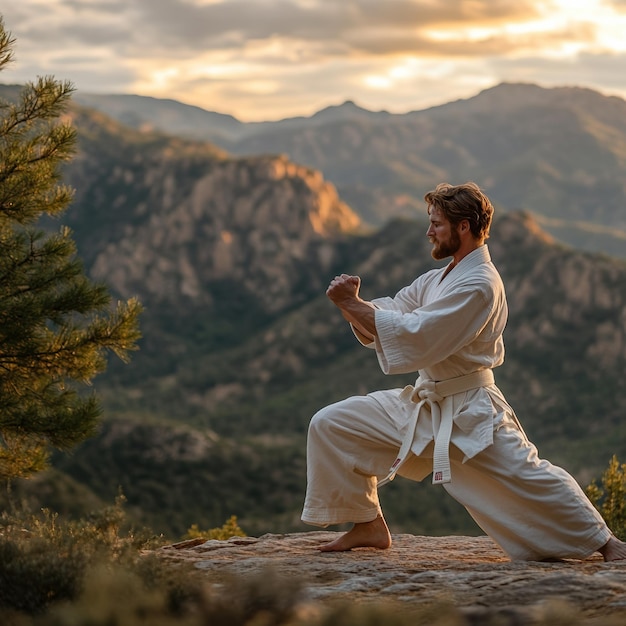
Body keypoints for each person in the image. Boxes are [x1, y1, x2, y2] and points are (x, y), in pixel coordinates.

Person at [301, 181, 626, 561]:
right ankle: (367, 524)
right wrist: (353, 305)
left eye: (436, 223)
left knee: (529, 476)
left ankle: (607, 543)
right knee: (331, 423)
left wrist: (352, 304)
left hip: (472, 409)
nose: (429, 232)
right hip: (429, 401)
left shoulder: (479, 284)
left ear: (464, 227)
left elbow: (418, 334)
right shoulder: (440, 277)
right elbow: (395, 310)